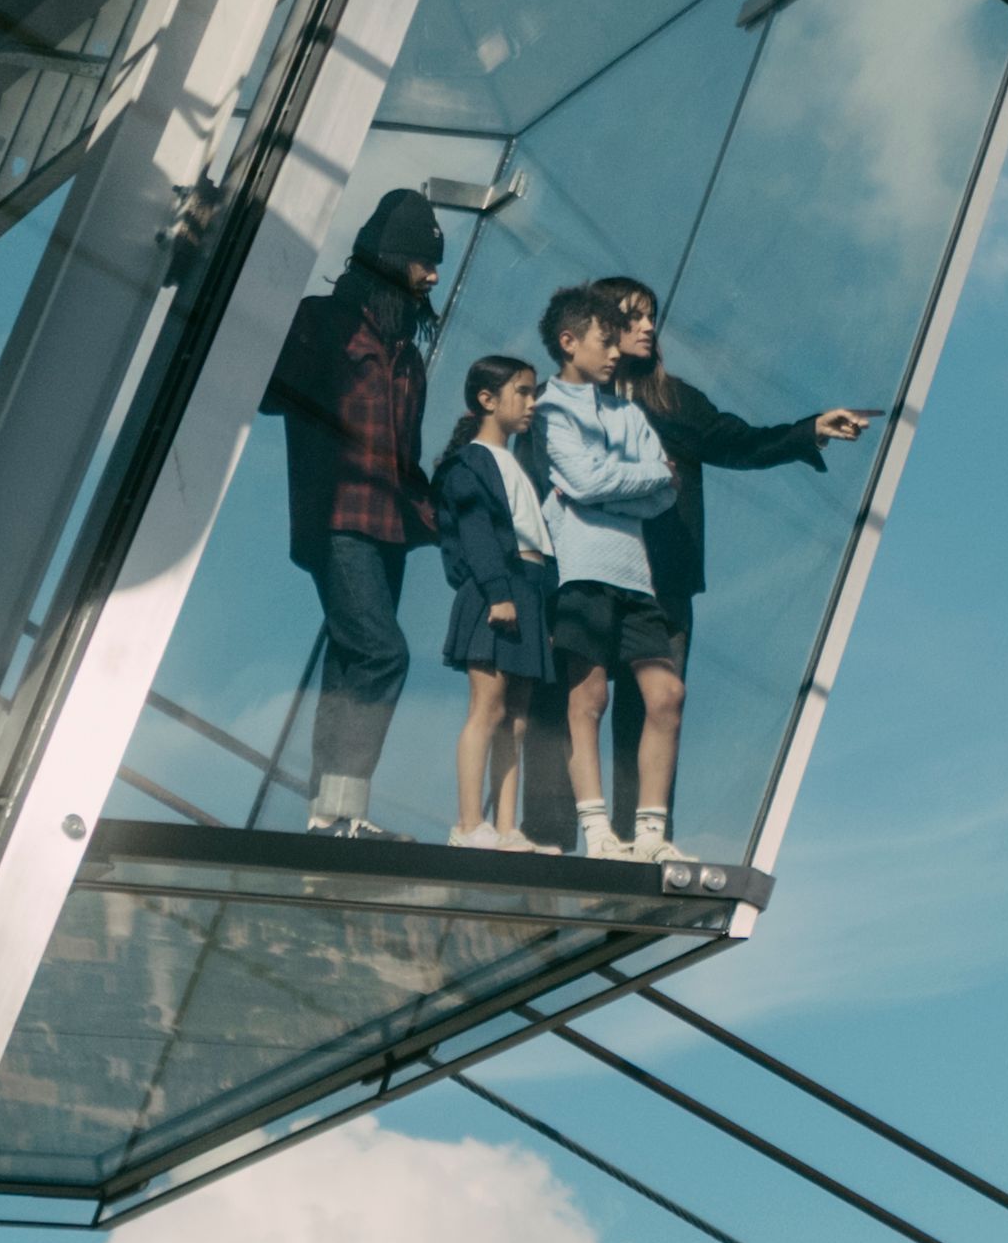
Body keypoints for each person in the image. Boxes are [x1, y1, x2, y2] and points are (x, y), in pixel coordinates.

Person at [577, 273, 866, 870]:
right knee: (579, 702)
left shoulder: (673, 401)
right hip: (591, 578)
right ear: (600, 323)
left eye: (652, 316)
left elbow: (739, 441)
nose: (649, 326)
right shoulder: (570, 402)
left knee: (655, 709)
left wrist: (808, 429)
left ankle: (645, 842)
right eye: (634, 316)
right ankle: (569, 842)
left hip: (663, 582)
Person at [248, 185, 447, 833]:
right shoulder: (324, 324)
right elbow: (265, 392)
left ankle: (325, 816)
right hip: (337, 518)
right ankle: (345, 805)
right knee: (384, 653)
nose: (433, 275)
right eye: (423, 261)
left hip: (389, 528)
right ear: (391, 259)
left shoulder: (408, 355)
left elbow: (404, 459)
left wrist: (445, 515)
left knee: (349, 660)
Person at [511, 281, 685, 856]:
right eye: (605, 341)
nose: (616, 353)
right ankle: (598, 832)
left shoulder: (629, 412)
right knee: (588, 700)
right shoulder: (548, 409)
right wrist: (641, 478)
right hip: (580, 573)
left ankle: (650, 835)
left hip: (635, 576)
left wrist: (612, 489)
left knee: (667, 695)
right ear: (569, 342)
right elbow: (590, 481)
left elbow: (663, 493)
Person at [433, 349, 559, 847]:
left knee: (517, 718)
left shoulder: (514, 464)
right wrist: (497, 593)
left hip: (528, 590)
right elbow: (476, 532)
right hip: (497, 590)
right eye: (522, 392)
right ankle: (468, 824)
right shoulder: (470, 463)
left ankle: (507, 828)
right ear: (488, 399)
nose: (531, 403)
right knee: (486, 708)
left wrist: (541, 608)